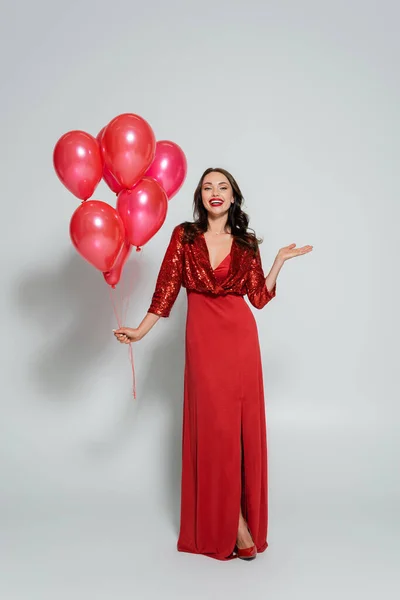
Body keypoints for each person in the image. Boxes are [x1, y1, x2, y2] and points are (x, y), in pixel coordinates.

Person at [114, 167, 313, 561]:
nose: (215, 192)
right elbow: (167, 288)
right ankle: (234, 524)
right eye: (207, 187)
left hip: (240, 339)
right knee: (215, 429)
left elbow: (257, 296)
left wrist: (277, 262)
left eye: (222, 187)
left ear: (234, 197)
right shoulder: (184, 236)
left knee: (236, 429)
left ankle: (239, 523)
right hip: (203, 342)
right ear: (200, 197)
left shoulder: (245, 243)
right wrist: (140, 330)